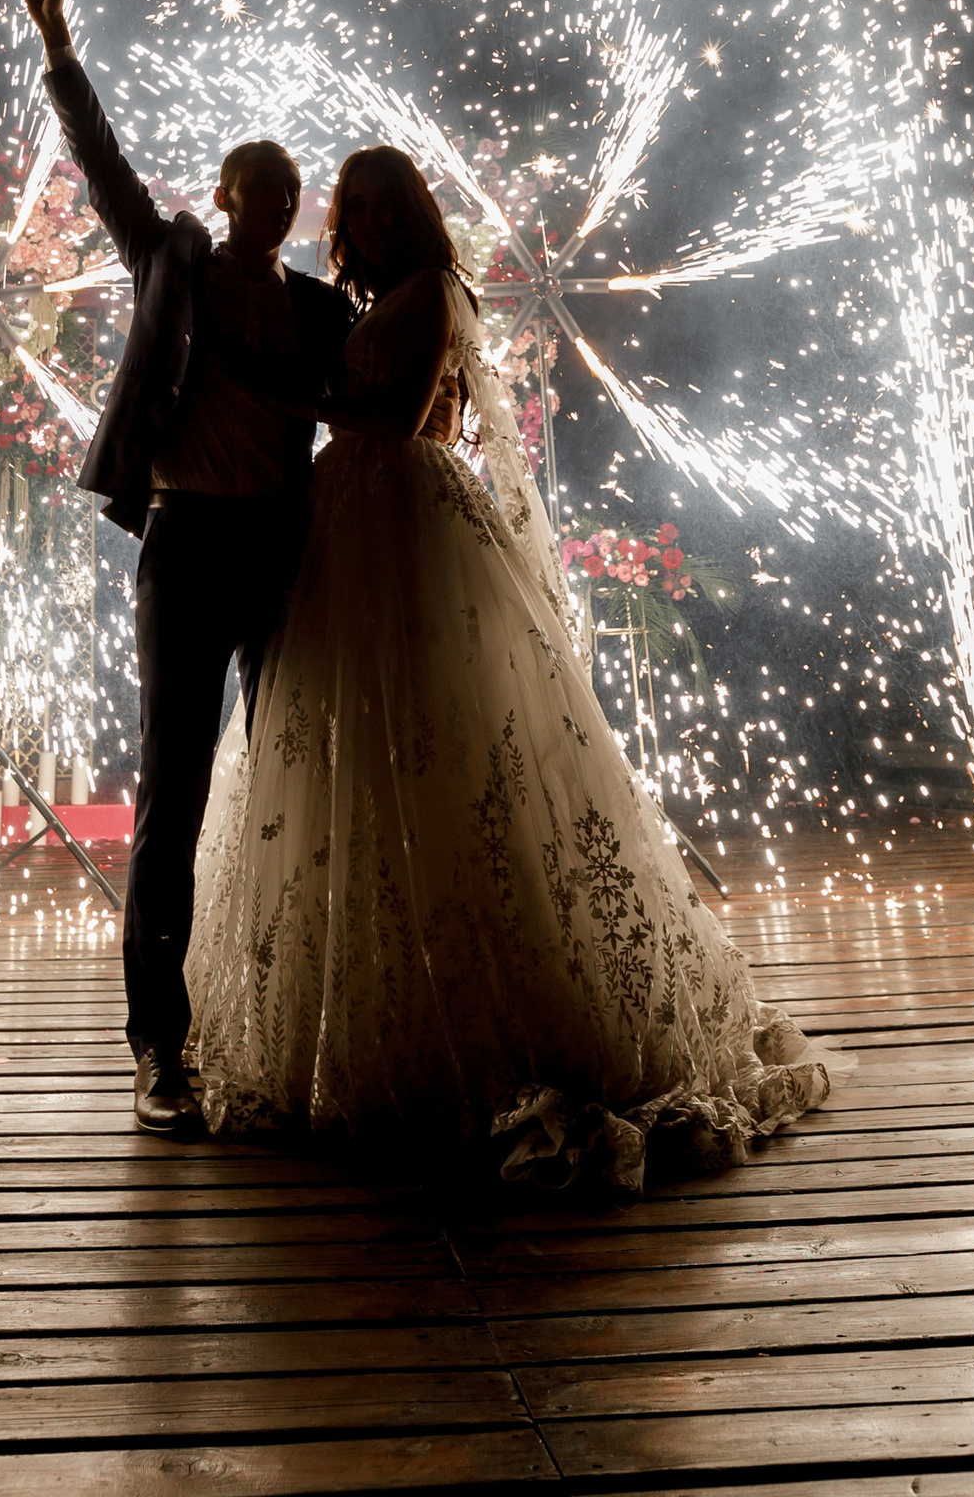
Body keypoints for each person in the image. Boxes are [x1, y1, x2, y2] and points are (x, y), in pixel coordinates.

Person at [183, 143, 846, 1194]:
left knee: (449, 741)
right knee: (353, 752)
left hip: (405, 520)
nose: (355, 223)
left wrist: (280, 392)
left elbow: (402, 419)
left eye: (371, 206)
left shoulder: (436, 289)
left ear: (408, 212)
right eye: (347, 209)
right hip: (348, 522)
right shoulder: (376, 293)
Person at [7, 0, 355, 1139]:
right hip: (186, 544)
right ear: (223, 196)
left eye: (290, 194)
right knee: (176, 786)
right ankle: (161, 1050)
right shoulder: (173, 264)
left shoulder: (319, 308)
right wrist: (58, 44)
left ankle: (296, 1014)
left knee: (300, 782)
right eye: (258, 188)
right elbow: (100, 166)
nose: (275, 204)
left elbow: (382, 401)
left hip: (284, 549)